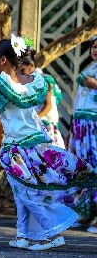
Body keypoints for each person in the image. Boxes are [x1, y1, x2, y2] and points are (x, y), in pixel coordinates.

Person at [0, 36, 97, 250]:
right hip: (37, 143)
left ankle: (49, 235)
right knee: (23, 191)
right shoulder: (33, 81)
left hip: (15, 146)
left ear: (4, 61)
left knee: (27, 192)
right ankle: (23, 235)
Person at [68, 37, 97, 232]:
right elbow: (78, 101)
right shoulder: (87, 71)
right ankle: (87, 213)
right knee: (85, 169)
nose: (96, 50)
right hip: (81, 126)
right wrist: (73, 126)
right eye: (94, 46)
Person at [19, 48, 65, 148]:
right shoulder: (28, 82)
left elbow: (48, 106)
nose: (20, 73)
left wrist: (32, 120)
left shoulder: (42, 80)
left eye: (22, 70)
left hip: (44, 126)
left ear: (31, 65)